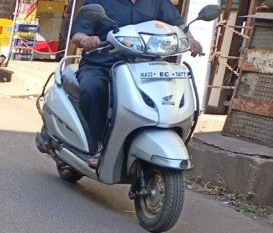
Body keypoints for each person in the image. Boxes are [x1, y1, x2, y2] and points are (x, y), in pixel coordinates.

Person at [70, 0, 201, 166]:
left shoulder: (156, 2)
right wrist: (86, 40)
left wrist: (192, 40)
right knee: (93, 89)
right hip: (102, 64)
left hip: (144, 67)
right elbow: (78, 33)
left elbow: (178, 24)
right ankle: (97, 144)